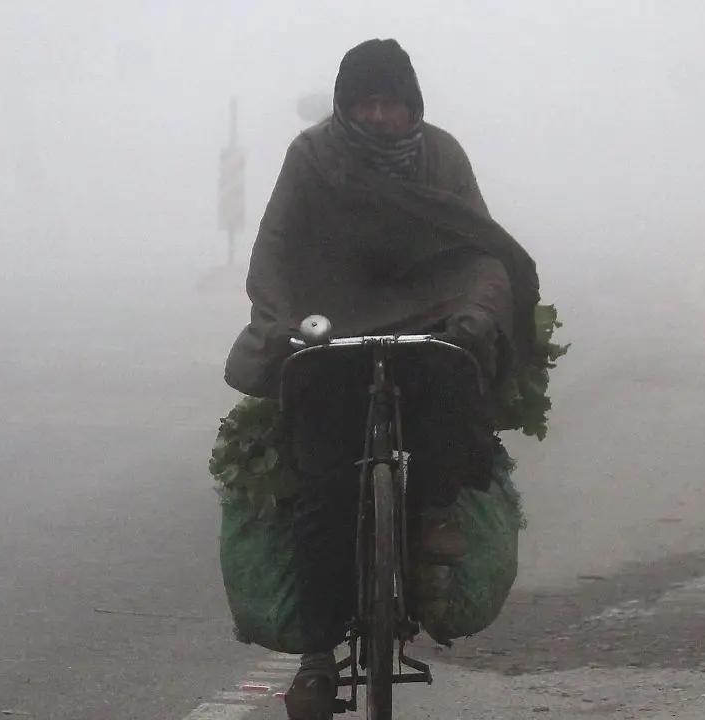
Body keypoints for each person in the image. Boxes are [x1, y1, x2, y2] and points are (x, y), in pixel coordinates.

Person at [223, 39, 540, 720]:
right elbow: (275, 250)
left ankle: (428, 520)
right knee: (325, 489)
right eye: (362, 103)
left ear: (411, 107)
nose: (376, 116)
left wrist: (477, 319)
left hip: (429, 317)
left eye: (389, 103)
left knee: (453, 399)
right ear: (343, 107)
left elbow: (480, 251)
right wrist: (280, 324)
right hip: (329, 324)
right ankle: (315, 659)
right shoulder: (311, 158)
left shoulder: (442, 157)